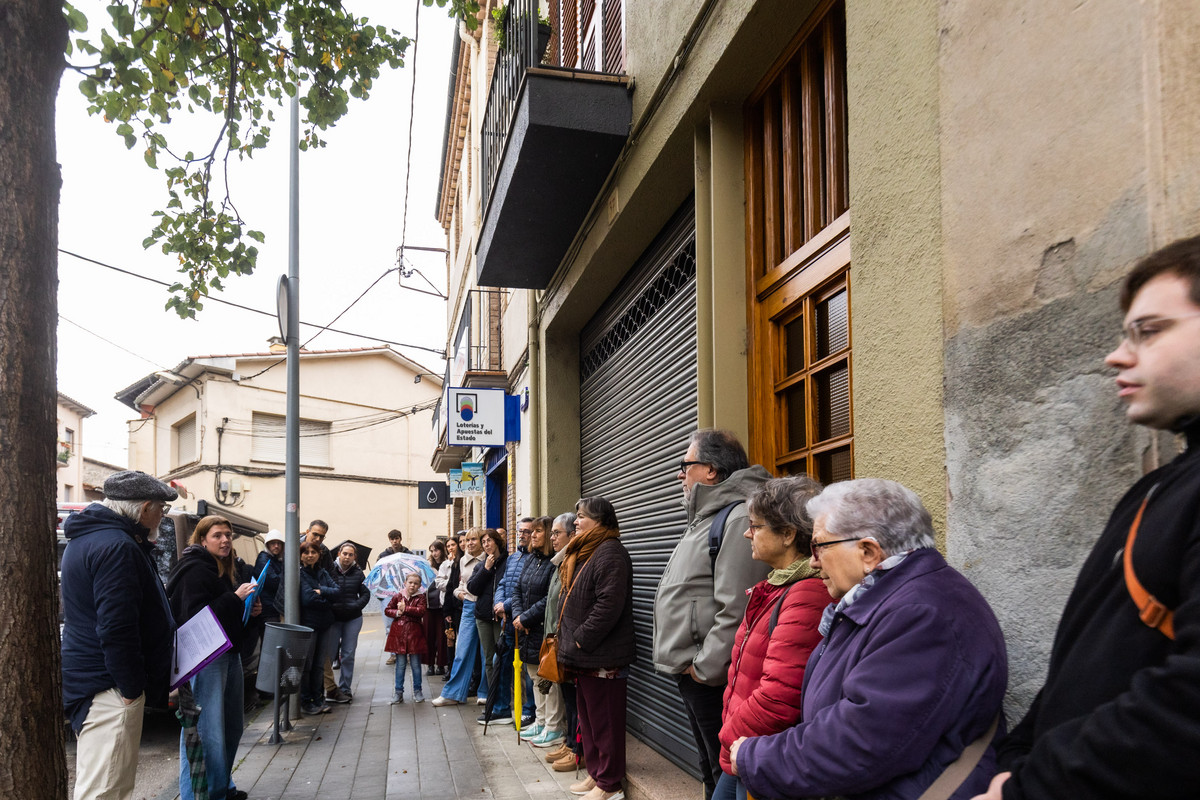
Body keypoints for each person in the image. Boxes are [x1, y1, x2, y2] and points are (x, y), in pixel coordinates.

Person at [974, 238, 1200, 800]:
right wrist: (1021, 756)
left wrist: (1025, 786)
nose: (1116, 356)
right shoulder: (1162, 486)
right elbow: (1086, 665)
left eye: (1148, 331)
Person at [729, 479, 1008, 800]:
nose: (814, 560)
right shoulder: (896, 599)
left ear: (868, 552)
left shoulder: (921, 616)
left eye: (820, 546)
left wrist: (757, 756)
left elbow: (859, 741)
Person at [653, 429, 771, 799]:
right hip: (692, 670)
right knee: (708, 765)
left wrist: (704, 668)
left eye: (685, 465)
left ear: (711, 470)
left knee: (721, 769)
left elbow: (737, 606)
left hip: (710, 677)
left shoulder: (735, 519)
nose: (679, 474)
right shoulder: (705, 517)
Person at [60, 470, 177, 800]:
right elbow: (116, 627)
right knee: (105, 791)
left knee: (105, 786)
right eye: (160, 509)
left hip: (98, 681)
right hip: (108, 687)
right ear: (143, 510)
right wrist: (129, 688)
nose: (161, 516)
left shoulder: (94, 538)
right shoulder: (117, 547)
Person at [712, 476, 827, 800]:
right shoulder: (779, 587)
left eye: (756, 525)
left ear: (788, 534)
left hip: (762, 754)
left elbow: (780, 697)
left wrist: (729, 738)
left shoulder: (806, 595)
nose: (748, 533)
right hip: (747, 748)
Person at [167, 515, 261, 800]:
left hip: (228, 653)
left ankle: (222, 787)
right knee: (205, 731)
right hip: (206, 660)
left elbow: (229, 615)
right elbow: (193, 618)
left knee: (231, 727)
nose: (225, 540)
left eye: (228, 535)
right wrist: (235, 598)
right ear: (202, 539)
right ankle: (196, 795)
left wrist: (249, 610)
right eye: (218, 535)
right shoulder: (194, 569)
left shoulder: (222, 567)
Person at [559, 497, 636, 800]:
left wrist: (581, 638)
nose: (576, 522)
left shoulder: (611, 553)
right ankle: (596, 774)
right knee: (589, 721)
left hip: (602, 655)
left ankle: (610, 784)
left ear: (600, 520)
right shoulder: (591, 549)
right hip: (586, 657)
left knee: (605, 722)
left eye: (581, 516)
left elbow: (609, 605)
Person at [512, 515, 562, 748]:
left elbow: (549, 598)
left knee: (547, 681)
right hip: (526, 630)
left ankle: (554, 727)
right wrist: (518, 616)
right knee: (534, 678)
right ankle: (541, 722)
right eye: (532, 531)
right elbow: (517, 590)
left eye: (539, 531)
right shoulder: (532, 559)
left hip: (543, 629)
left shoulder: (555, 562)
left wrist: (526, 617)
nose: (533, 534)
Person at [542, 512, 582, 773]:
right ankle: (569, 743)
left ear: (572, 534)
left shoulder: (575, 561)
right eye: (552, 533)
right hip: (557, 641)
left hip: (569, 642)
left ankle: (577, 750)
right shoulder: (561, 562)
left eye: (557, 533)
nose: (552, 537)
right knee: (567, 695)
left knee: (576, 699)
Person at [281, 541, 341, 714]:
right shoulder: (299, 574)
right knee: (307, 665)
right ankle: (307, 701)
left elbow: (337, 591)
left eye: (313, 551)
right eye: (305, 552)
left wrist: (322, 591)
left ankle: (319, 699)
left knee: (319, 665)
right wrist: (326, 598)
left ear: (318, 554)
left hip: (324, 624)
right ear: (300, 556)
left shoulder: (322, 572)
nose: (310, 555)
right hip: (309, 625)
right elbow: (307, 598)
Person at [488, 518, 537, 727]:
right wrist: (498, 603)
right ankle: (501, 710)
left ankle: (529, 711)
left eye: (527, 531)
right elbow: (503, 582)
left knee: (528, 670)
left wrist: (506, 606)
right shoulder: (514, 557)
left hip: (523, 621)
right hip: (506, 622)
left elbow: (526, 591)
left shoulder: (536, 559)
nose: (523, 535)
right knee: (500, 664)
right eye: (520, 531)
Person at [433, 528, 489, 705]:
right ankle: (453, 694)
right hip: (468, 606)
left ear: (482, 541)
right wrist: (459, 594)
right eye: (467, 539)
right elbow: (458, 584)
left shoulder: (489, 559)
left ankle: (484, 692)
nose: (470, 543)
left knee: (485, 652)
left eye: (474, 539)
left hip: (485, 607)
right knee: (462, 649)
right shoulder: (462, 560)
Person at [467, 528, 507, 710]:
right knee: (489, 658)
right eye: (484, 542)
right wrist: (486, 569)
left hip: (501, 617)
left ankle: (505, 696)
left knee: (502, 657)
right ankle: (494, 697)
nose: (486, 544)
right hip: (483, 617)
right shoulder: (480, 565)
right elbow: (473, 588)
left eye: (489, 541)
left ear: (497, 541)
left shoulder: (509, 562)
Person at [327, 542, 370, 703]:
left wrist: (356, 605)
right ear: (339, 554)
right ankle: (329, 689)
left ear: (354, 557)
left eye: (350, 554)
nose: (347, 557)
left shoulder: (358, 573)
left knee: (348, 655)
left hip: (353, 618)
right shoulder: (329, 571)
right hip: (333, 619)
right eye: (344, 553)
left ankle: (345, 688)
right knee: (329, 655)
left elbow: (366, 594)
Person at [385, 572, 428, 703]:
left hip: (415, 635)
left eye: (416, 583)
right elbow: (387, 610)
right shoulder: (398, 596)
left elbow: (421, 611)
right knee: (400, 665)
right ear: (405, 583)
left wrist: (406, 608)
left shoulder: (421, 597)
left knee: (416, 665)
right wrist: (398, 612)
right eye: (410, 582)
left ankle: (418, 691)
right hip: (399, 634)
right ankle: (398, 692)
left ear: (419, 585)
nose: (412, 585)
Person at [437, 535, 463, 671]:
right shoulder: (444, 565)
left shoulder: (460, 562)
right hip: (448, 605)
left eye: (453, 545)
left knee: (461, 639)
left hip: (459, 605)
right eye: (448, 546)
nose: (451, 548)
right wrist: (452, 583)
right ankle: (450, 668)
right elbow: (439, 583)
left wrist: (452, 584)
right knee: (450, 638)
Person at [424, 539, 450, 677]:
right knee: (429, 635)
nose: (434, 553)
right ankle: (429, 665)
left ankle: (441, 664)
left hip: (442, 605)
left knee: (442, 636)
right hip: (429, 605)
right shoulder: (428, 567)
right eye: (432, 551)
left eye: (437, 550)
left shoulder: (448, 565)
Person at [254, 530, 286, 623]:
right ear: (267, 545)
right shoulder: (264, 558)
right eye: (273, 543)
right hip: (267, 609)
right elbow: (273, 581)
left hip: (272, 607)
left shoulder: (275, 559)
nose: (276, 546)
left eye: (279, 543)